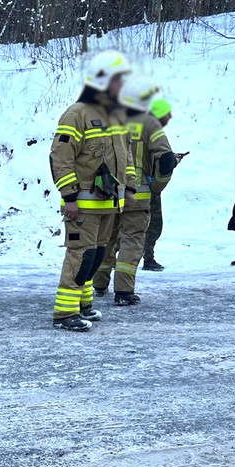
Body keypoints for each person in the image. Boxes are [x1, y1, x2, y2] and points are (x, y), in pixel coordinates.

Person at [48, 50, 135, 331]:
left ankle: (83, 305)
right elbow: (60, 156)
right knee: (80, 256)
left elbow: (126, 155)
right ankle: (65, 314)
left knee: (95, 257)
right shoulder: (77, 114)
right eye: (118, 80)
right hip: (83, 205)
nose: (122, 86)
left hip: (108, 204)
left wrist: (129, 186)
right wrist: (69, 196)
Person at [91, 76, 176, 305]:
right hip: (138, 196)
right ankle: (124, 291)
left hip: (110, 192)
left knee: (107, 239)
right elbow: (166, 159)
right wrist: (156, 186)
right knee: (131, 241)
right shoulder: (149, 124)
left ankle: (99, 284)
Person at [142, 95, 175, 271]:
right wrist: (157, 186)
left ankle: (113, 258)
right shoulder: (153, 130)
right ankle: (148, 258)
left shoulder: (133, 127)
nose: (170, 117)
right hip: (147, 186)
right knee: (153, 225)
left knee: (125, 226)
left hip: (127, 185)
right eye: (167, 113)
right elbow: (165, 158)